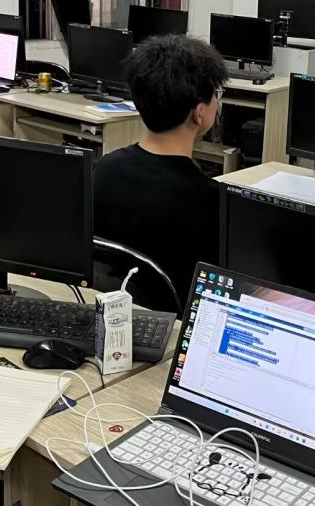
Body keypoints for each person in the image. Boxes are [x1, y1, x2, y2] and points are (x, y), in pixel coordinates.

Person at [94, 35, 227, 304]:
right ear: (199, 113)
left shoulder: (103, 170)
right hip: (173, 324)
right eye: (216, 94)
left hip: (108, 311)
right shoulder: (213, 203)